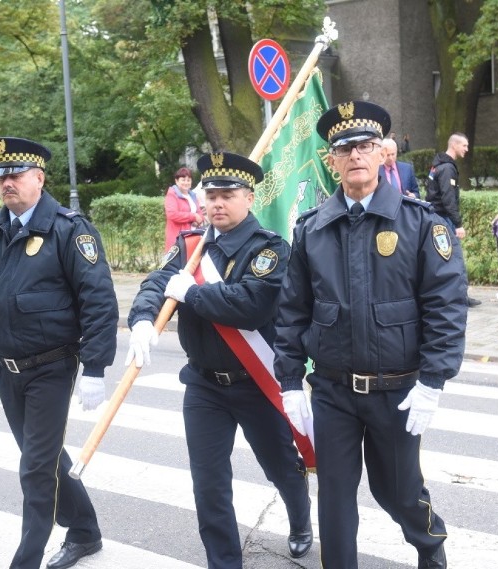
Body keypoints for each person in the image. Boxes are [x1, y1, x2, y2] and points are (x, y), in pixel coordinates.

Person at [274, 101, 467, 569]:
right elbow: (293, 310)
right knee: (335, 500)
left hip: (398, 390)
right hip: (334, 390)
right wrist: (288, 380)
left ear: (383, 155)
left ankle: (430, 546)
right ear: (332, 161)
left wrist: (433, 381)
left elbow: (446, 306)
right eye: (344, 148)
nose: (356, 155)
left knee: (398, 493)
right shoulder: (311, 230)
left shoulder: (420, 223)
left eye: (365, 146)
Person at [0, 137, 118, 569]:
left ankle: (27, 560)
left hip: (52, 365)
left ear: (39, 178)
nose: (6, 183)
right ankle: (86, 532)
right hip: (6, 367)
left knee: (35, 468)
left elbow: (99, 300)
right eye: (0, 176)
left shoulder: (70, 230)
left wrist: (94, 366)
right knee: (45, 454)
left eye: (15, 175)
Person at [127, 152, 313, 568]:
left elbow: (250, 305)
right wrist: (142, 319)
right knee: (209, 485)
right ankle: (224, 562)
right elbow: (157, 283)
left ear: (249, 198)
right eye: (210, 195)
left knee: (281, 467)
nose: (216, 203)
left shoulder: (269, 249)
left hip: (255, 381)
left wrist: (191, 293)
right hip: (204, 384)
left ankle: (301, 519)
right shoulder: (191, 245)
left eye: (227, 195)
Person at [426, 132, 480, 307]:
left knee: (443, 258)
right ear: (455, 145)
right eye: (464, 145)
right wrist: (458, 224)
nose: (466, 149)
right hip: (445, 219)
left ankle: (452, 295)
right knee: (454, 258)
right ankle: (460, 297)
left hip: (437, 218)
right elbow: (448, 199)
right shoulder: (447, 168)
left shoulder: (438, 166)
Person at [164, 166, 204, 249]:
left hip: (193, 236)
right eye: (183, 180)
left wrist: (199, 219)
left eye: (188, 180)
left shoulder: (192, 195)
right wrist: (193, 217)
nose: (186, 182)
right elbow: (172, 214)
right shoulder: (172, 195)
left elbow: (200, 213)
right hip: (178, 238)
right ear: (176, 181)